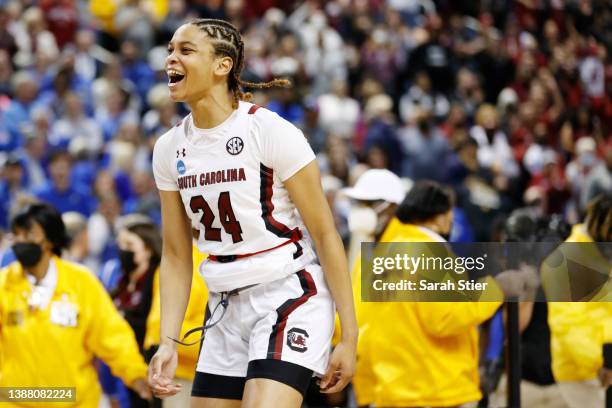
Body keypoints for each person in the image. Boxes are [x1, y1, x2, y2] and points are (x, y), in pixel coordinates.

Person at [148, 18, 357, 407]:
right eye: (170, 50)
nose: (171, 59)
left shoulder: (270, 131)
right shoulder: (168, 148)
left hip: (288, 292)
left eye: (185, 50)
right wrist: (168, 341)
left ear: (222, 65)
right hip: (224, 304)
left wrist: (349, 334)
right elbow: (176, 253)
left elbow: (327, 235)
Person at [363, 181, 502, 407]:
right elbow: (445, 319)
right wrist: (495, 290)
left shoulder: (388, 252)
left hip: (395, 386)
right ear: (438, 217)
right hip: (434, 387)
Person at [0, 203, 151, 407]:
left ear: (50, 240)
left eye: (29, 234)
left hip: (74, 400)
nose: (20, 241)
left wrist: (136, 375)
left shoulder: (81, 282)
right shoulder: (4, 284)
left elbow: (111, 335)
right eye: (17, 235)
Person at [544, 194, 612, 408]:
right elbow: (570, 327)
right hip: (585, 376)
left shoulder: (599, 252)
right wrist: (603, 363)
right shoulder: (565, 261)